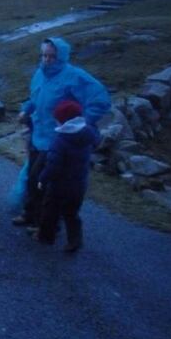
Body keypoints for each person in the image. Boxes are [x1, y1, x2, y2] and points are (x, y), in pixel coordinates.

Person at [13, 37, 110, 229]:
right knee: (32, 178)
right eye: (44, 55)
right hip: (37, 134)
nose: (46, 60)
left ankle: (45, 223)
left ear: (62, 57)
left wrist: (79, 124)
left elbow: (101, 101)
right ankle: (30, 214)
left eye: (51, 56)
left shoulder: (74, 76)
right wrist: (26, 110)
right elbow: (35, 97)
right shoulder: (40, 74)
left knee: (44, 180)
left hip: (57, 139)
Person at [36, 101, 99, 252]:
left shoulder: (61, 140)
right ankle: (74, 241)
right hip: (79, 184)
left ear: (62, 120)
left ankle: (45, 236)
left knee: (50, 210)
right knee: (71, 213)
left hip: (59, 184)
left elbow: (53, 165)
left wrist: (42, 179)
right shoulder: (88, 133)